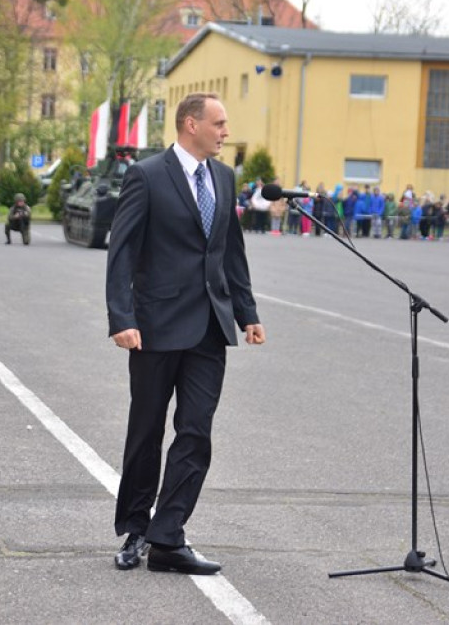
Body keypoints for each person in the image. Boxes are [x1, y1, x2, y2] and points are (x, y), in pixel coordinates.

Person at [106, 92, 265, 575]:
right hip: (154, 327)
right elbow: (123, 251)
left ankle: (167, 537)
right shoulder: (147, 175)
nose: (225, 132)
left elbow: (229, 250)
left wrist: (246, 311)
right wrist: (122, 318)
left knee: (195, 432)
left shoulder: (224, 176)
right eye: (218, 123)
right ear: (190, 124)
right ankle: (136, 527)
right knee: (146, 432)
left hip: (210, 329)